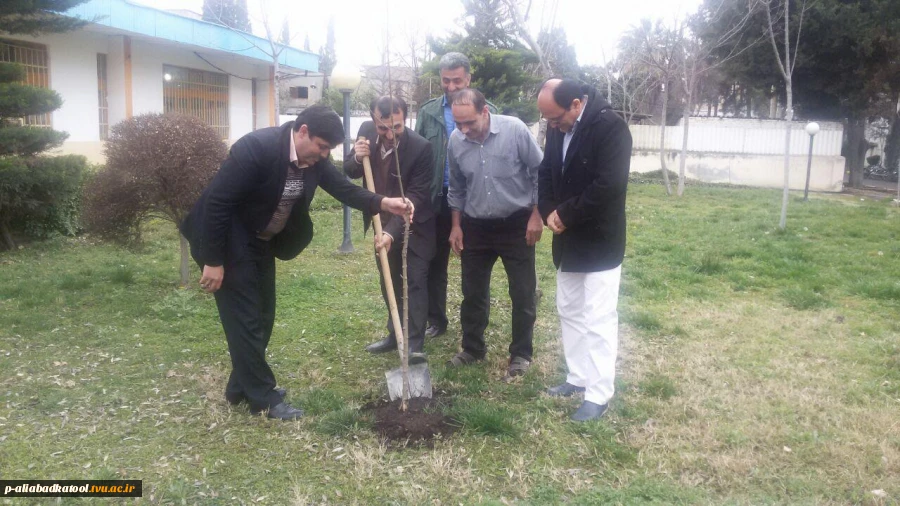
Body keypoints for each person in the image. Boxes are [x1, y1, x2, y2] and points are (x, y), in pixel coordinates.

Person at [180, 105, 413, 421]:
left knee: (263, 316)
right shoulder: (256, 148)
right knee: (245, 318)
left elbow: (343, 189)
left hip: (262, 242)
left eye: (328, 150)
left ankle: (240, 386)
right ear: (302, 131)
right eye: (320, 147)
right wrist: (213, 260)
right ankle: (263, 397)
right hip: (228, 240)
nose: (322, 155)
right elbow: (218, 203)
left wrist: (384, 203)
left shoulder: (315, 160)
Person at [536, 78, 632, 422]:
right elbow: (546, 171)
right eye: (547, 119)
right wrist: (549, 211)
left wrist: (567, 213)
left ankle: (598, 393)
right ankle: (577, 378)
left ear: (576, 104)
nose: (552, 125)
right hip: (566, 236)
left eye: (555, 117)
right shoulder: (558, 126)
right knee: (570, 309)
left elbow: (609, 184)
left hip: (600, 239)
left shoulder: (611, 128)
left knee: (599, 318)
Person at [445, 88, 544, 378]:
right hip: (475, 226)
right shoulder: (456, 141)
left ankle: (521, 354)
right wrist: (455, 225)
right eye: (458, 124)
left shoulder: (515, 130)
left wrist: (537, 215)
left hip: (517, 223)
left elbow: (540, 172)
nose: (464, 130)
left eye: (469, 123)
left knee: (523, 292)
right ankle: (472, 349)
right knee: (472, 292)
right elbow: (457, 187)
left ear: (485, 110)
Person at [344, 96, 435, 360]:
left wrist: (391, 233)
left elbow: (415, 196)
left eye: (396, 127)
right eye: (383, 128)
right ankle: (395, 334)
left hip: (415, 224)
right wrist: (357, 158)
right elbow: (350, 171)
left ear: (405, 119)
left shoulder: (421, 148)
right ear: (374, 120)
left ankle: (414, 343)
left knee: (414, 281)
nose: (389, 134)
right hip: (379, 220)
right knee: (389, 278)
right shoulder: (366, 134)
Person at [415, 52, 497, 340]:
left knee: (474, 265)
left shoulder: (489, 110)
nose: (450, 87)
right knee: (434, 261)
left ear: (469, 78)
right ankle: (436, 319)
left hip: (473, 200)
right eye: (445, 80)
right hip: (436, 199)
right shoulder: (427, 112)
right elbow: (416, 155)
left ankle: (475, 326)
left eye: (457, 80)